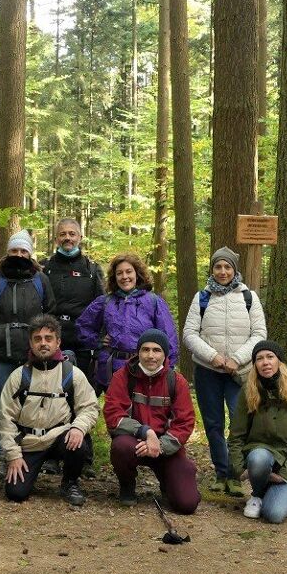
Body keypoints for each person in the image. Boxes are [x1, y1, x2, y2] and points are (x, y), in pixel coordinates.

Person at [182, 246, 267, 496]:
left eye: (227, 267)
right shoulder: (202, 297)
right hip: (207, 371)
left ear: (234, 269)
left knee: (240, 423)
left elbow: (259, 334)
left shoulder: (249, 297)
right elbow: (189, 334)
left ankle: (236, 474)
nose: (222, 271)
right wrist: (214, 357)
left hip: (239, 373)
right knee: (213, 423)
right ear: (212, 270)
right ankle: (221, 473)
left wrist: (237, 359)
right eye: (218, 267)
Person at [0, 230, 56, 469]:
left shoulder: (41, 280)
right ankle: (0, 454)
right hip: (0, 354)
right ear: (7, 252)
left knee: (32, 404)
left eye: (23, 251)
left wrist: (49, 351)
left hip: (33, 354)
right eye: (14, 250)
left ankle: (29, 454)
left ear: (30, 254)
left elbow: (50, 316)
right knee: (1, 405)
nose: (18, 255)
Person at [0, 315, 98, 506]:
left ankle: (70, 483)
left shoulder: (72, 374)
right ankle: (25, 471)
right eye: (37, 339)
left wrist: (78, 427)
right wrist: (13, 455)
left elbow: (89, 407)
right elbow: (5, 418)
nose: (43, 343)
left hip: (60, 437)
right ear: (31, 343)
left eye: (48, 338)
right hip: (29, 442)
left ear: (58, 342)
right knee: (16, 493)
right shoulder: (19, 376)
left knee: (79, 442)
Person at [103, 329, 200, 514]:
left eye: (156, 350)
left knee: (187, 504)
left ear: (165, 354)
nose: (150, 355)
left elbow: (185, 422)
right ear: (138, 352)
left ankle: (167, 483)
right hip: (135, 442)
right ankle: (127, 485)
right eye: (145, 349)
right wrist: (146, 432)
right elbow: (113, 414)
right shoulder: (122, 376)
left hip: (166, 447)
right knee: (120, 447)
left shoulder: (176, 381)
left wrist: (160, 445)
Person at [228, 341, 287, 524]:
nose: (265, 362)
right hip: (259, 457)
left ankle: (280, 495)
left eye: (270, 357)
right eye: (259, 358)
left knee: (273, 514)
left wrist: (284, 475)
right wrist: (239, 468)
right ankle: (257, 494)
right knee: (259, 457)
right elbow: (236, 436)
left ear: (279, 361)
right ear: (255, 365)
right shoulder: (248, 392)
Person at [75, 252, 178, 392]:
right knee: (115, 405)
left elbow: (169, 338)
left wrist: (167, 370)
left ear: (137, 274)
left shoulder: (154, 302)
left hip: (146, 369)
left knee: (142, 406)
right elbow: (82, 327)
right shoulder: (105, 302)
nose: (124, 277)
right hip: (111, 371)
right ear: (114, 277)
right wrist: (98, 340)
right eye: (119, 273)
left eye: (129, 271)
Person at [39, 218, 105, 380]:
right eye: (63, 234)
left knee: (82, 388)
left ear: (80, 237)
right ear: (56, 239)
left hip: (83, 340)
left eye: (72, 234)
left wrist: (102, 336)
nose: (67, 238)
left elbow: (103, 306)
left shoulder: (92, 269)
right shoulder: (44, 268)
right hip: (51, 338)